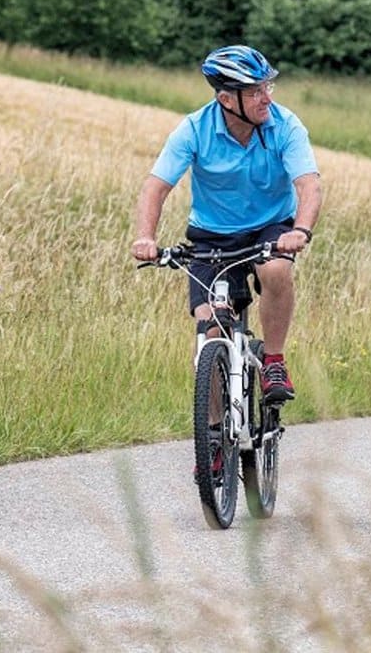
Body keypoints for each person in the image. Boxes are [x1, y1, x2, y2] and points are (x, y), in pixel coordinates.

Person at [131, 45, 322, 413]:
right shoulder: (194, 129)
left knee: (277, 268)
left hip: (272, 227)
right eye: (255, 91)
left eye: (268, 87)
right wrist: (146, 237)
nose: (267, 97)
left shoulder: (285, 125)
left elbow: (309, 185)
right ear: (225, 98)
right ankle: (215, 437)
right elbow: (155, 187)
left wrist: (301, 230)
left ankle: (274, 362)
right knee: (210, 333)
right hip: (212, 237)